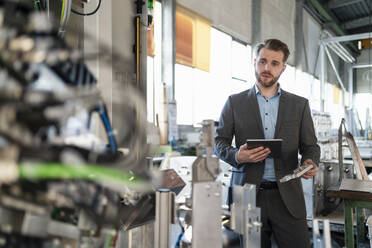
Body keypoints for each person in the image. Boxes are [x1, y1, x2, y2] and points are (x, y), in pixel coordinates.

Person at [214, 39, 320, 248]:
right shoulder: (234, 102)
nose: (267, 68)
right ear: (255, 62)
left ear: (283, 68)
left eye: (274, 63)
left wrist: (310, 160)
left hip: (287, 196)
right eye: (262, 61)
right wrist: (236, 155)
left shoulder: (299, 105)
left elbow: (311, 146)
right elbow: (219, 141)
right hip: (247, 194)